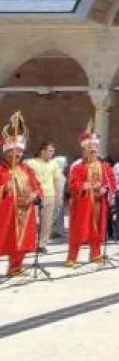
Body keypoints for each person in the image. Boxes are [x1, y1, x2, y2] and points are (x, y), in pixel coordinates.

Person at [65, 122, 117, 267]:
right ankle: (72, 257)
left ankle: (95, 255)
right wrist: (86, 186)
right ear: (84, 149)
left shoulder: (104, 166)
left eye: (95, 147)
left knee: (97, 230)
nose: (93, 150)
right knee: (78, 230)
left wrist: (105, 189)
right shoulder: (77, 167)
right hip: (82, 203)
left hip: (99, 203)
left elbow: (111, 182)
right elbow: (73, 185)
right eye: (90, 148)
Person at [0, 112, 43, 276]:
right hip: (7, 211)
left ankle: (15, 268)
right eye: (13, 152)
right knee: (4, 237)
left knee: (23, 241)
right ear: (6, 152)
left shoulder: (27, 169)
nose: (16, 155)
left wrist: (35, 194)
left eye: (19, 152)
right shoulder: (1, 170)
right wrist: (4, 188)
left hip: (26, 210)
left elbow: (37, 186)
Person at [25, 141, 63, 253]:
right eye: (50, 150)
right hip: (35, 196)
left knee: (46, 222)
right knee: (31, 221)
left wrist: (58, 197)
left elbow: (56, 181)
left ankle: (42, 244)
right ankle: (29, 243)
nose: (52, 153)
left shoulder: (54, 164)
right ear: (43, 151)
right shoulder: (30, 163)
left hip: (49, 195)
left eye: (53, 151)